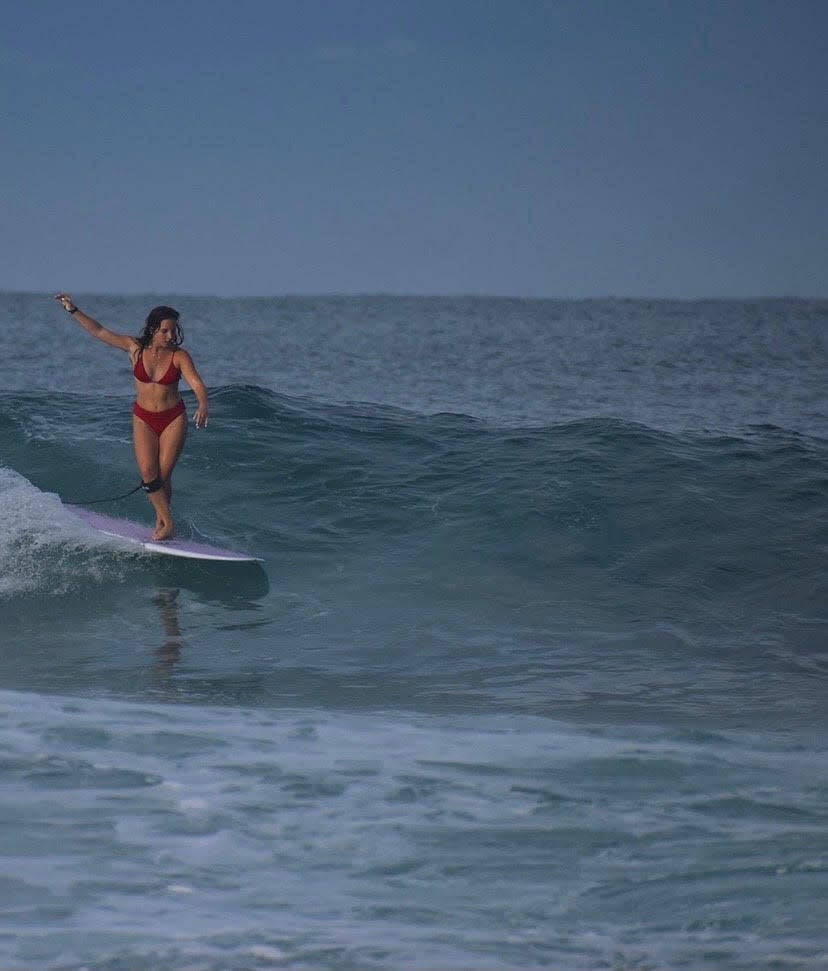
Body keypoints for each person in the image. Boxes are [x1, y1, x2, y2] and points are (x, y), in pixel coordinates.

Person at [54, 294, 209, 540]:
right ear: (153, 329)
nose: (171, 336)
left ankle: (164, 523)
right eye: (166, 331)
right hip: (143, 417)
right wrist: (73, 310)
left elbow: (197, 383)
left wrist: (203, 403)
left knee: (163, 476)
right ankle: (166, 521)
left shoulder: (179, 356)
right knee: (149, 473)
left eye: (173, 331)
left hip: (172, 418)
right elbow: (99, 330)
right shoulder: (134, 348)